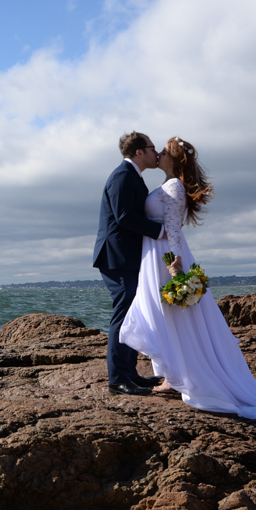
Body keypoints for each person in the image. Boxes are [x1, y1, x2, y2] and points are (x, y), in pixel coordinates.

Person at [119, 137, 256, 436]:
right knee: (166, 315)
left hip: (164, 256)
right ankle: (173, 374)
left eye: (164, 153)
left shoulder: (173, 187)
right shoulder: (168, 184)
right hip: (154, 255)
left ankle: (178, 376)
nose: (158, 154)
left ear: (175, 160)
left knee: (172, 316)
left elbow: (172, 229)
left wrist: (175, 266)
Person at [93, 131, 167, 396]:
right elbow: (124, 216)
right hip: (117, 257)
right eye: (151, 148)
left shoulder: (132, 176)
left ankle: (130, 373)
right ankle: (117, 379)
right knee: (124, 314)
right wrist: (161, 232)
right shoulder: (123, 176)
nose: (155, 152)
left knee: (131, 311)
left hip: (126, 255)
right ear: (139, 152)